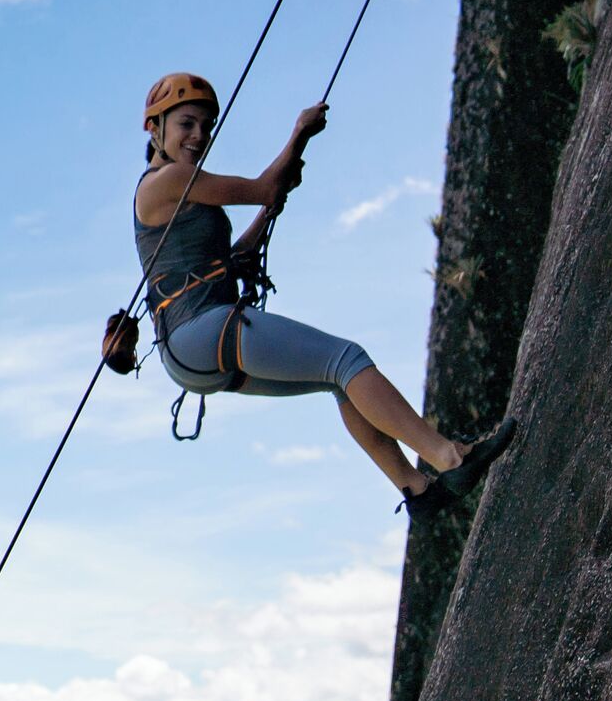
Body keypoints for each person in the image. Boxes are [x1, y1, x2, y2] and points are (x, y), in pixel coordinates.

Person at [130, 70, 510, 509]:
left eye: (206, 126)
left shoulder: (168, 187)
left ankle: (417, 491)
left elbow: (230, 258)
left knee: (340, 383)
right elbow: (264, 187)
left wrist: (267, 212)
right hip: (201, 331)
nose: (199, 135)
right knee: (346, 360)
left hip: (189, 352)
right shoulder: (169, 179)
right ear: (155, 129)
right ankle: (448, 456)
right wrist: (299, 135)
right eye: (186, 124)